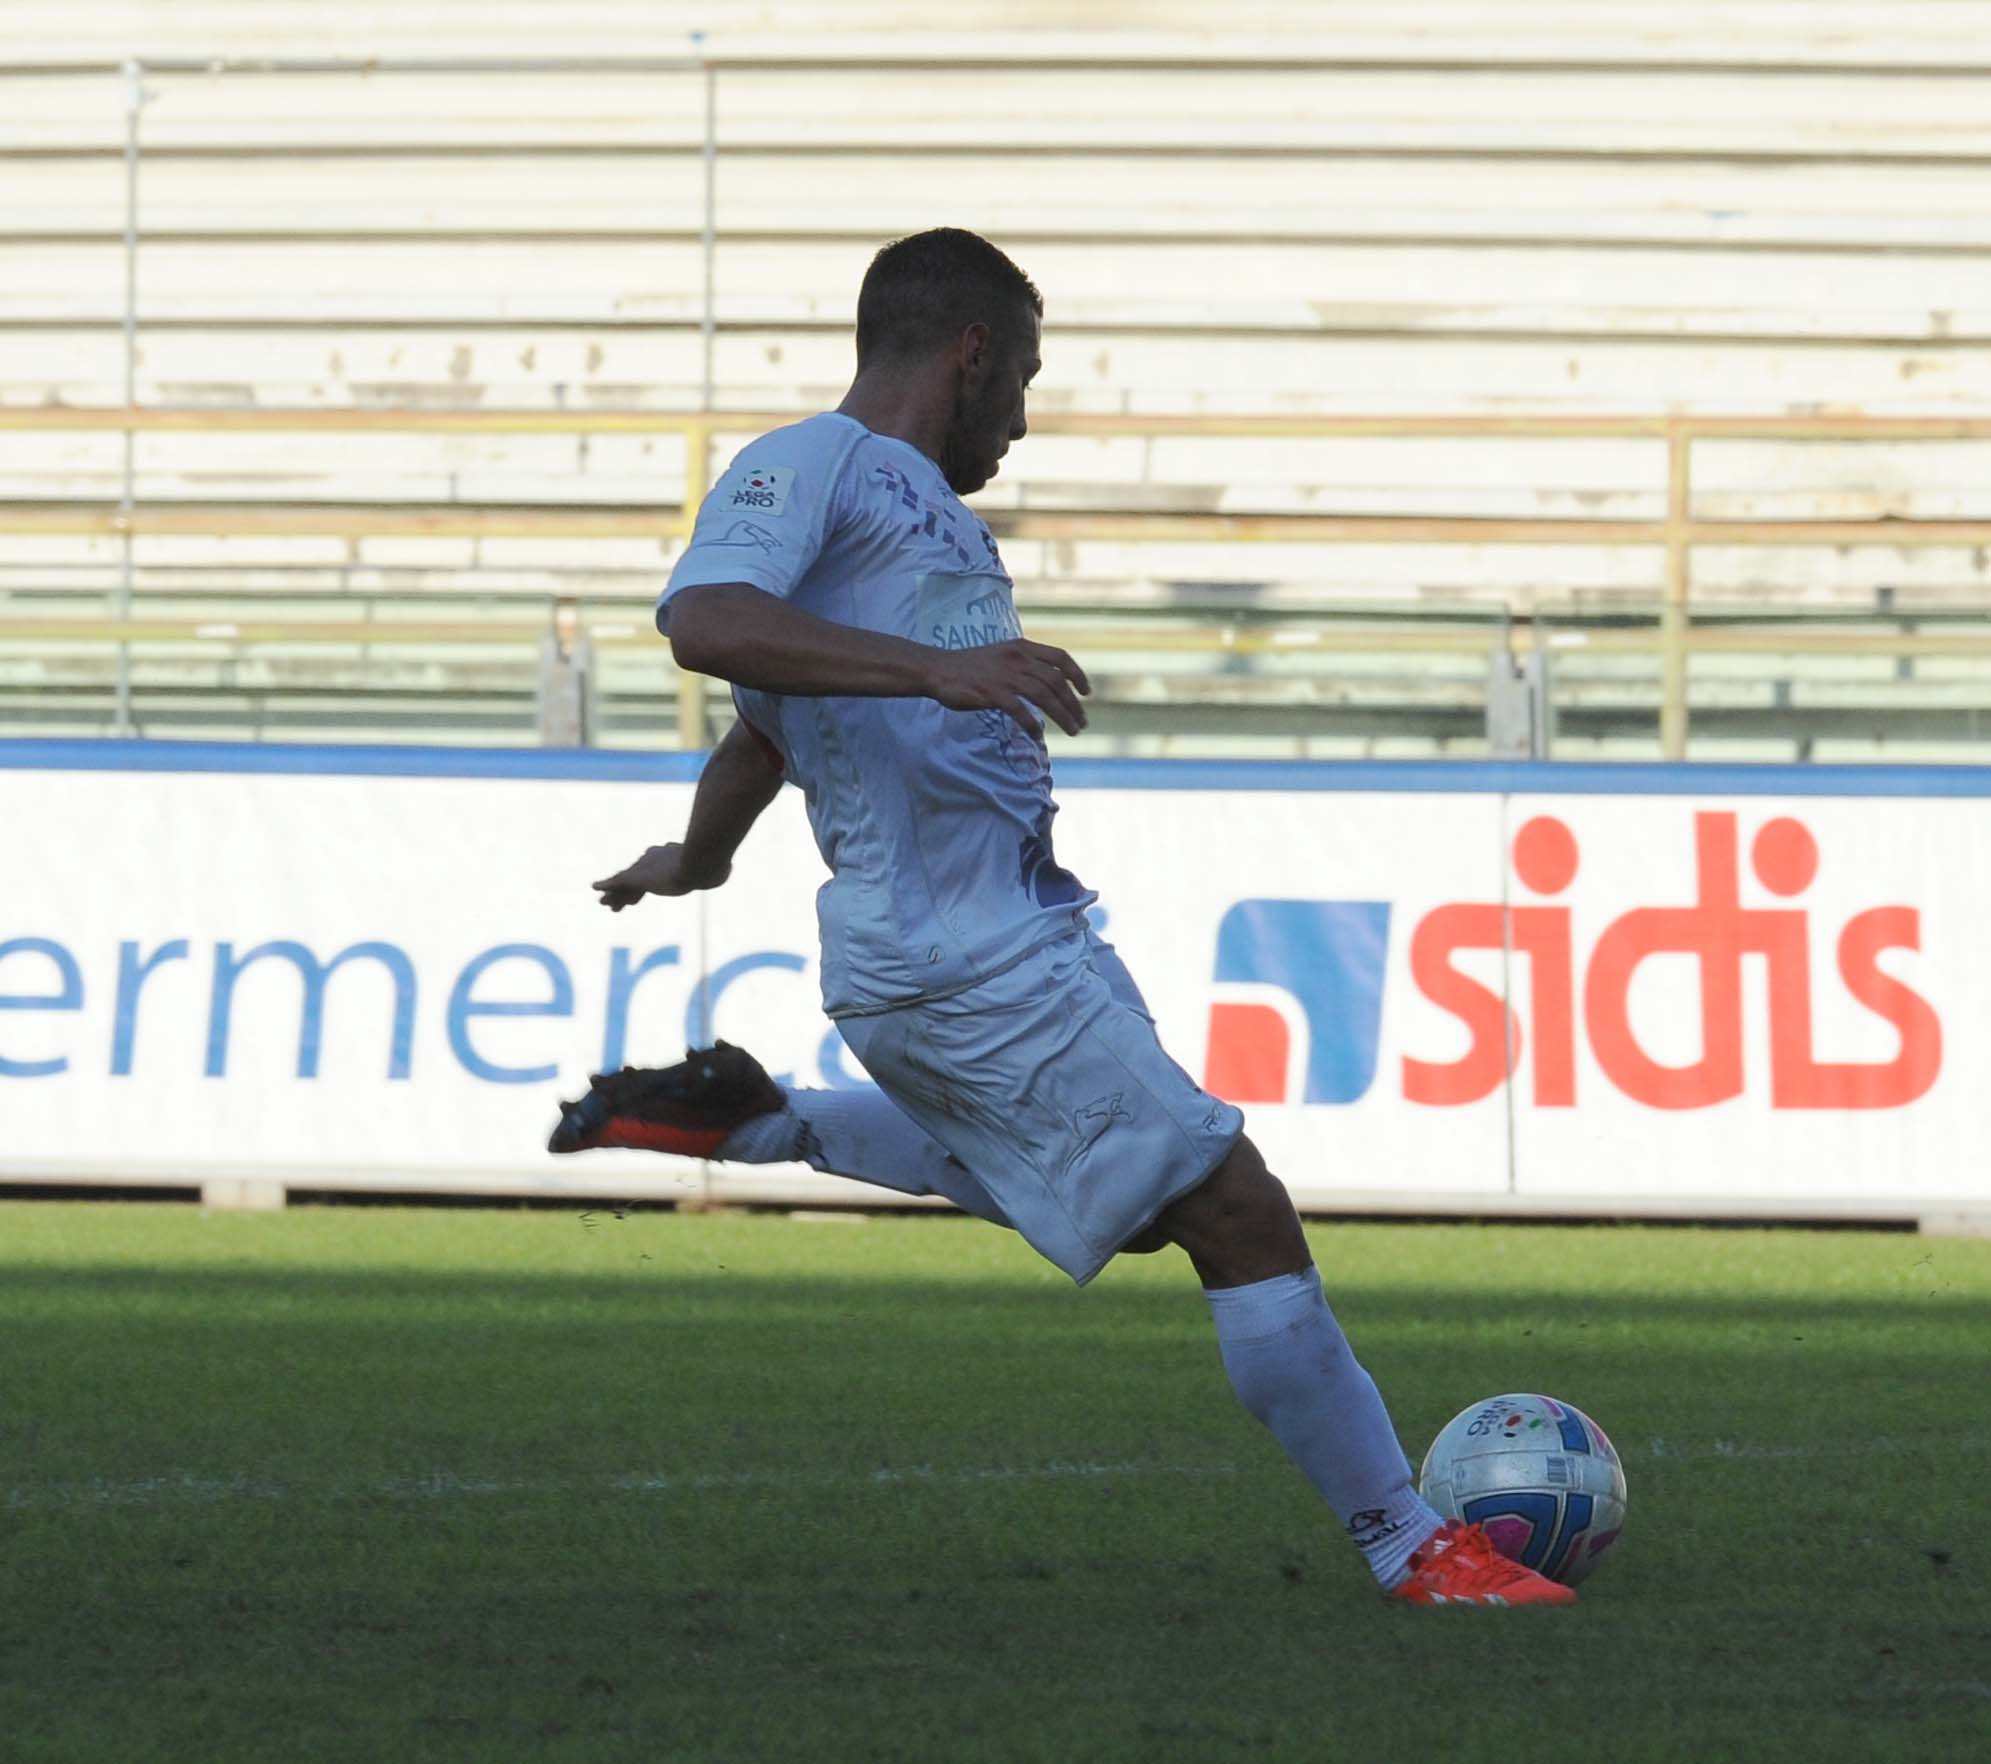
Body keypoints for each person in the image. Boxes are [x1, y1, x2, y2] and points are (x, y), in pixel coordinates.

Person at [552, 228, 1573, 1608]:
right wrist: (939, 671)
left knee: (1155, 1208)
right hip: (955, 953)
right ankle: (1410, 1544)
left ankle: (750, 1116)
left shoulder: (919, 514)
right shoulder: (813, 463)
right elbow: (705, 618)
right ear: (969, 352)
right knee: (1233, 1204)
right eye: (1022, 380)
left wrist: (699, 856)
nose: (1022, 421)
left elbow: (766, 723)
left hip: (1014, 937)